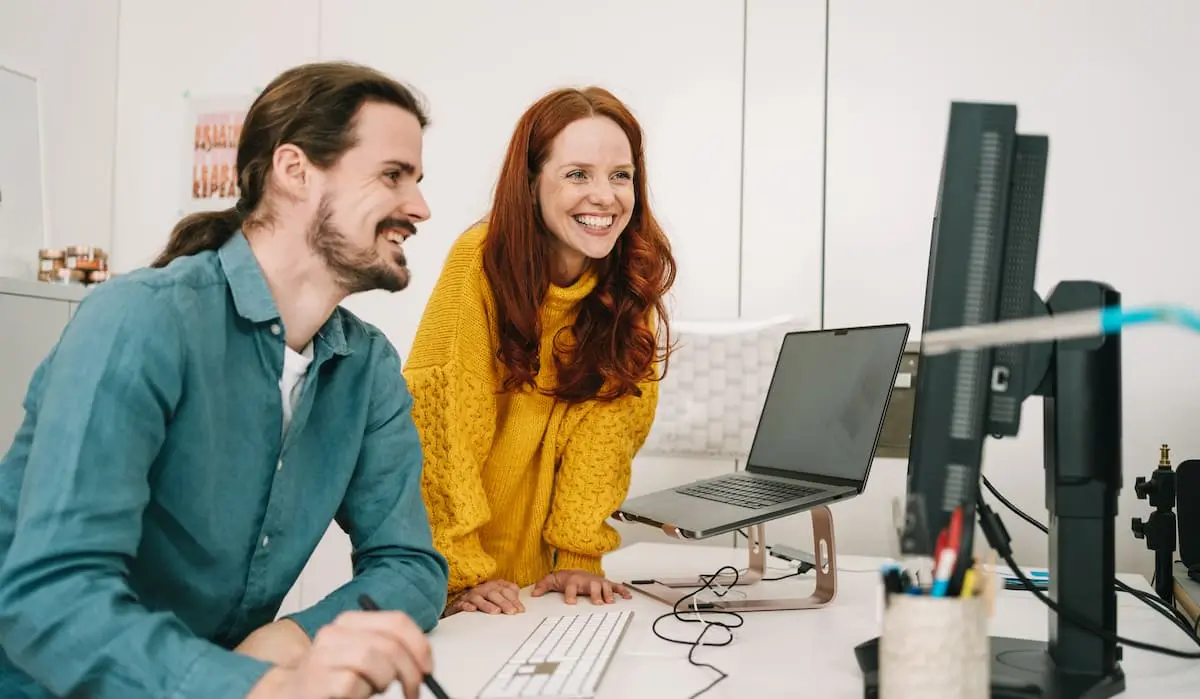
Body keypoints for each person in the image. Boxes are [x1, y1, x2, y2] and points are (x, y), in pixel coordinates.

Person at [0, 61, 449, 699]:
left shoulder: (367, 367)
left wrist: (292, 639)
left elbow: (411, 567)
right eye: (393, 176)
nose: (421, 207)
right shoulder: (141, 319)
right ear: (295, 172)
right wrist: (256, 689)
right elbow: (51, 599)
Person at [404, 86, 676, 616]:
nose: (606, 196)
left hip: (551, 581)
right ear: (530, 184)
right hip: (453, 574)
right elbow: (443, 425)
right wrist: (457, 569)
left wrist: (579, 551)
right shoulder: (478, 262)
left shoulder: (628, 277)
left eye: (621, 175)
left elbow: (609, 428)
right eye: (578, 174)